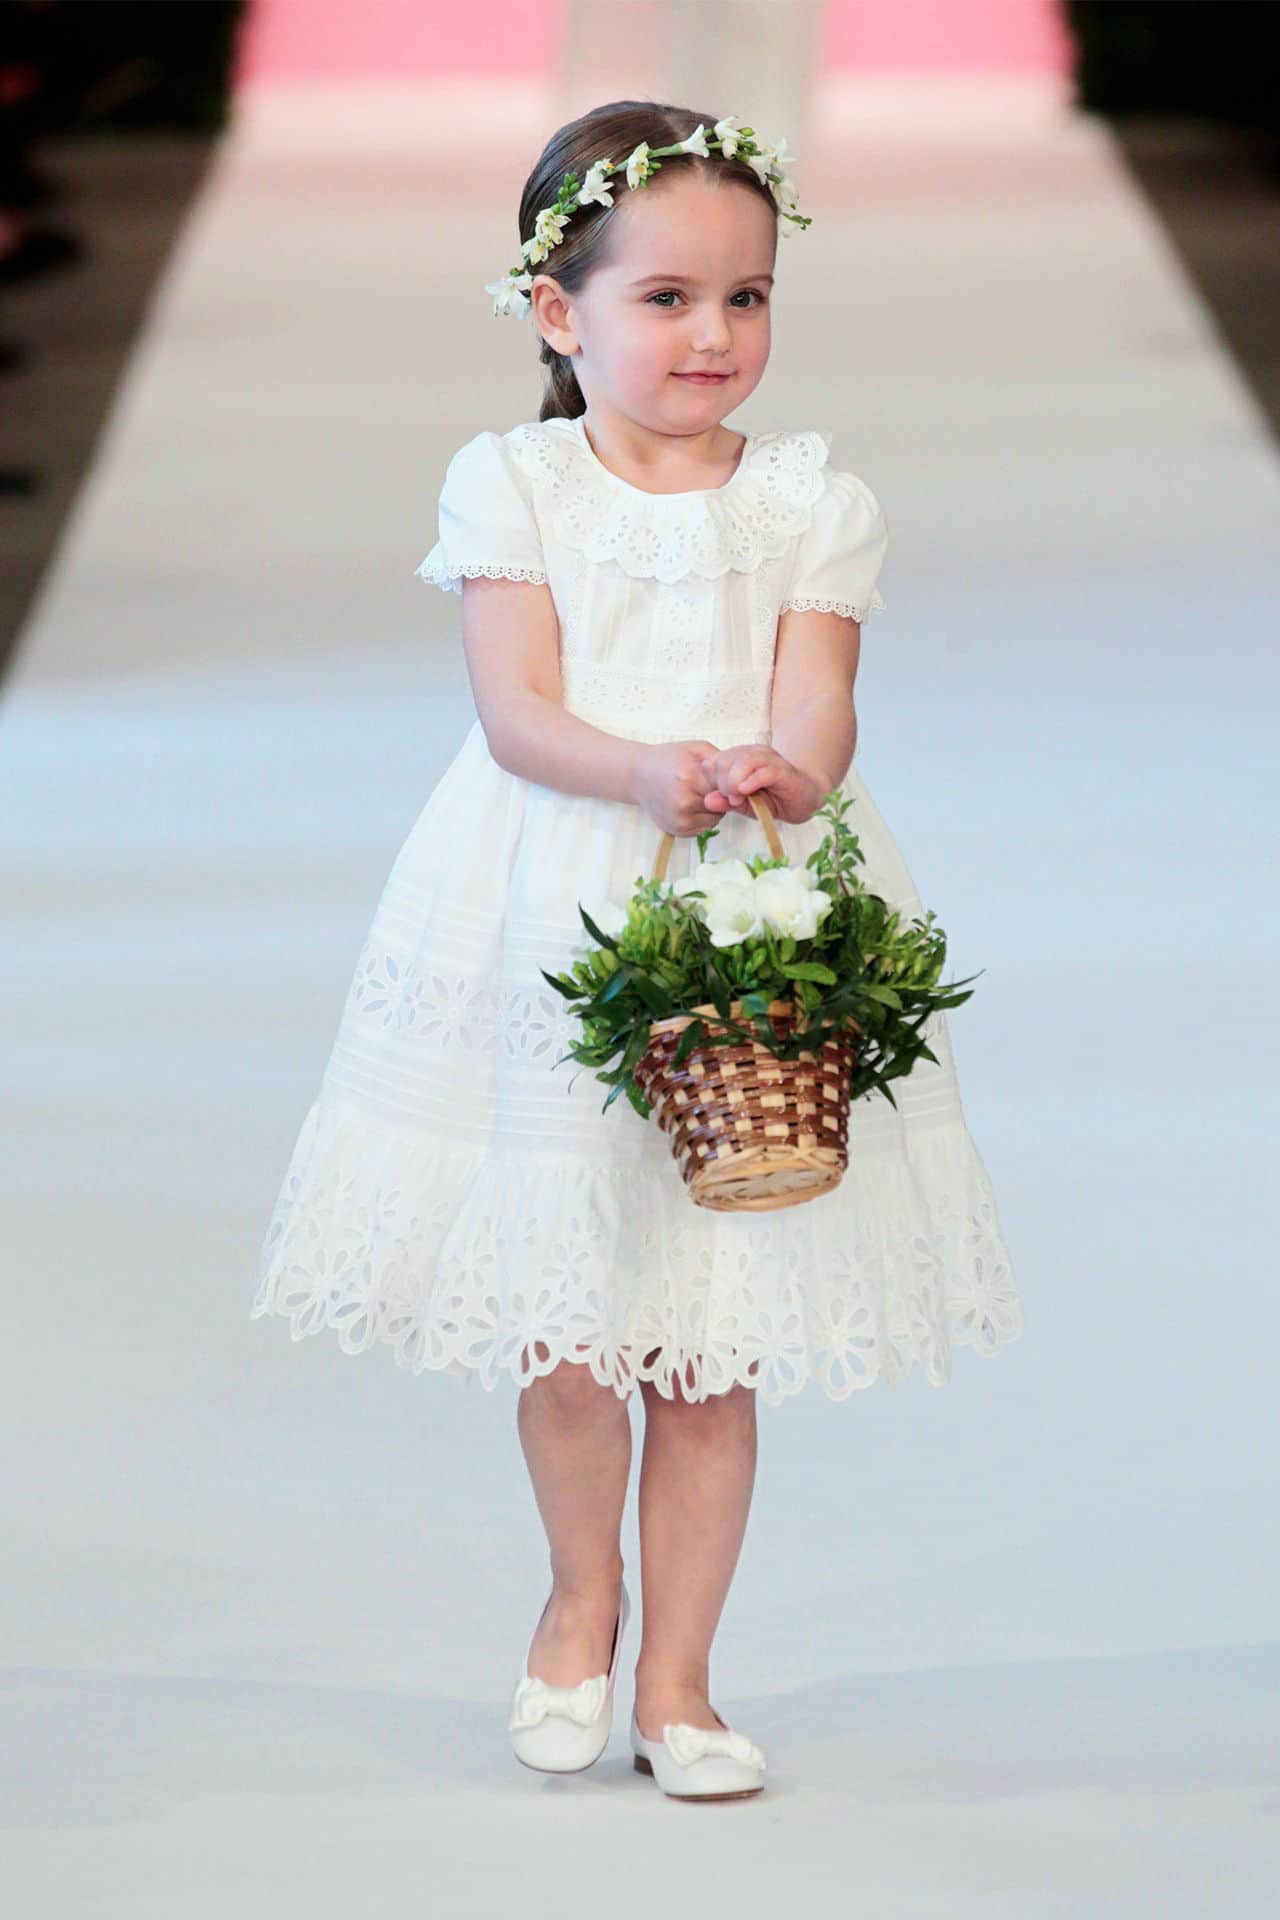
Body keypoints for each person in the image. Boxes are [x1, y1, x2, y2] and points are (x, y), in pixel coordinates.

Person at [251, 99, 1025, 1802]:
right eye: (665, 298)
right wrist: (647, 770)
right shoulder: (512, 479)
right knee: (574, 1326)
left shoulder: (814, 499)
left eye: (746, 298)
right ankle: (577, 1597)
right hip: (551, 891)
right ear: (557, 310)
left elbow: (819, 693)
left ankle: (679, 1679)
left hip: (746, 896)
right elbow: (518, 711)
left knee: (714, 1329)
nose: (712, 336)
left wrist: (789, 773)